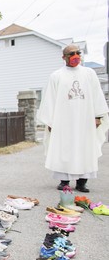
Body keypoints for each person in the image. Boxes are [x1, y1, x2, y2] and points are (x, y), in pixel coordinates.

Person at [37, 44, 109, 192]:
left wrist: (98, 116)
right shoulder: (56, 76)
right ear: (64, 57)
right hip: (64, 121)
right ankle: (64, 181)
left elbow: (96, 94)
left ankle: (82, 182)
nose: (75, 56)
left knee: (85, 148)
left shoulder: (89, 73)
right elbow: (50, 98)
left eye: (78, 52)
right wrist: (50, 121)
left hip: (86, 119)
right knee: (65, 149)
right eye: (71, 53)